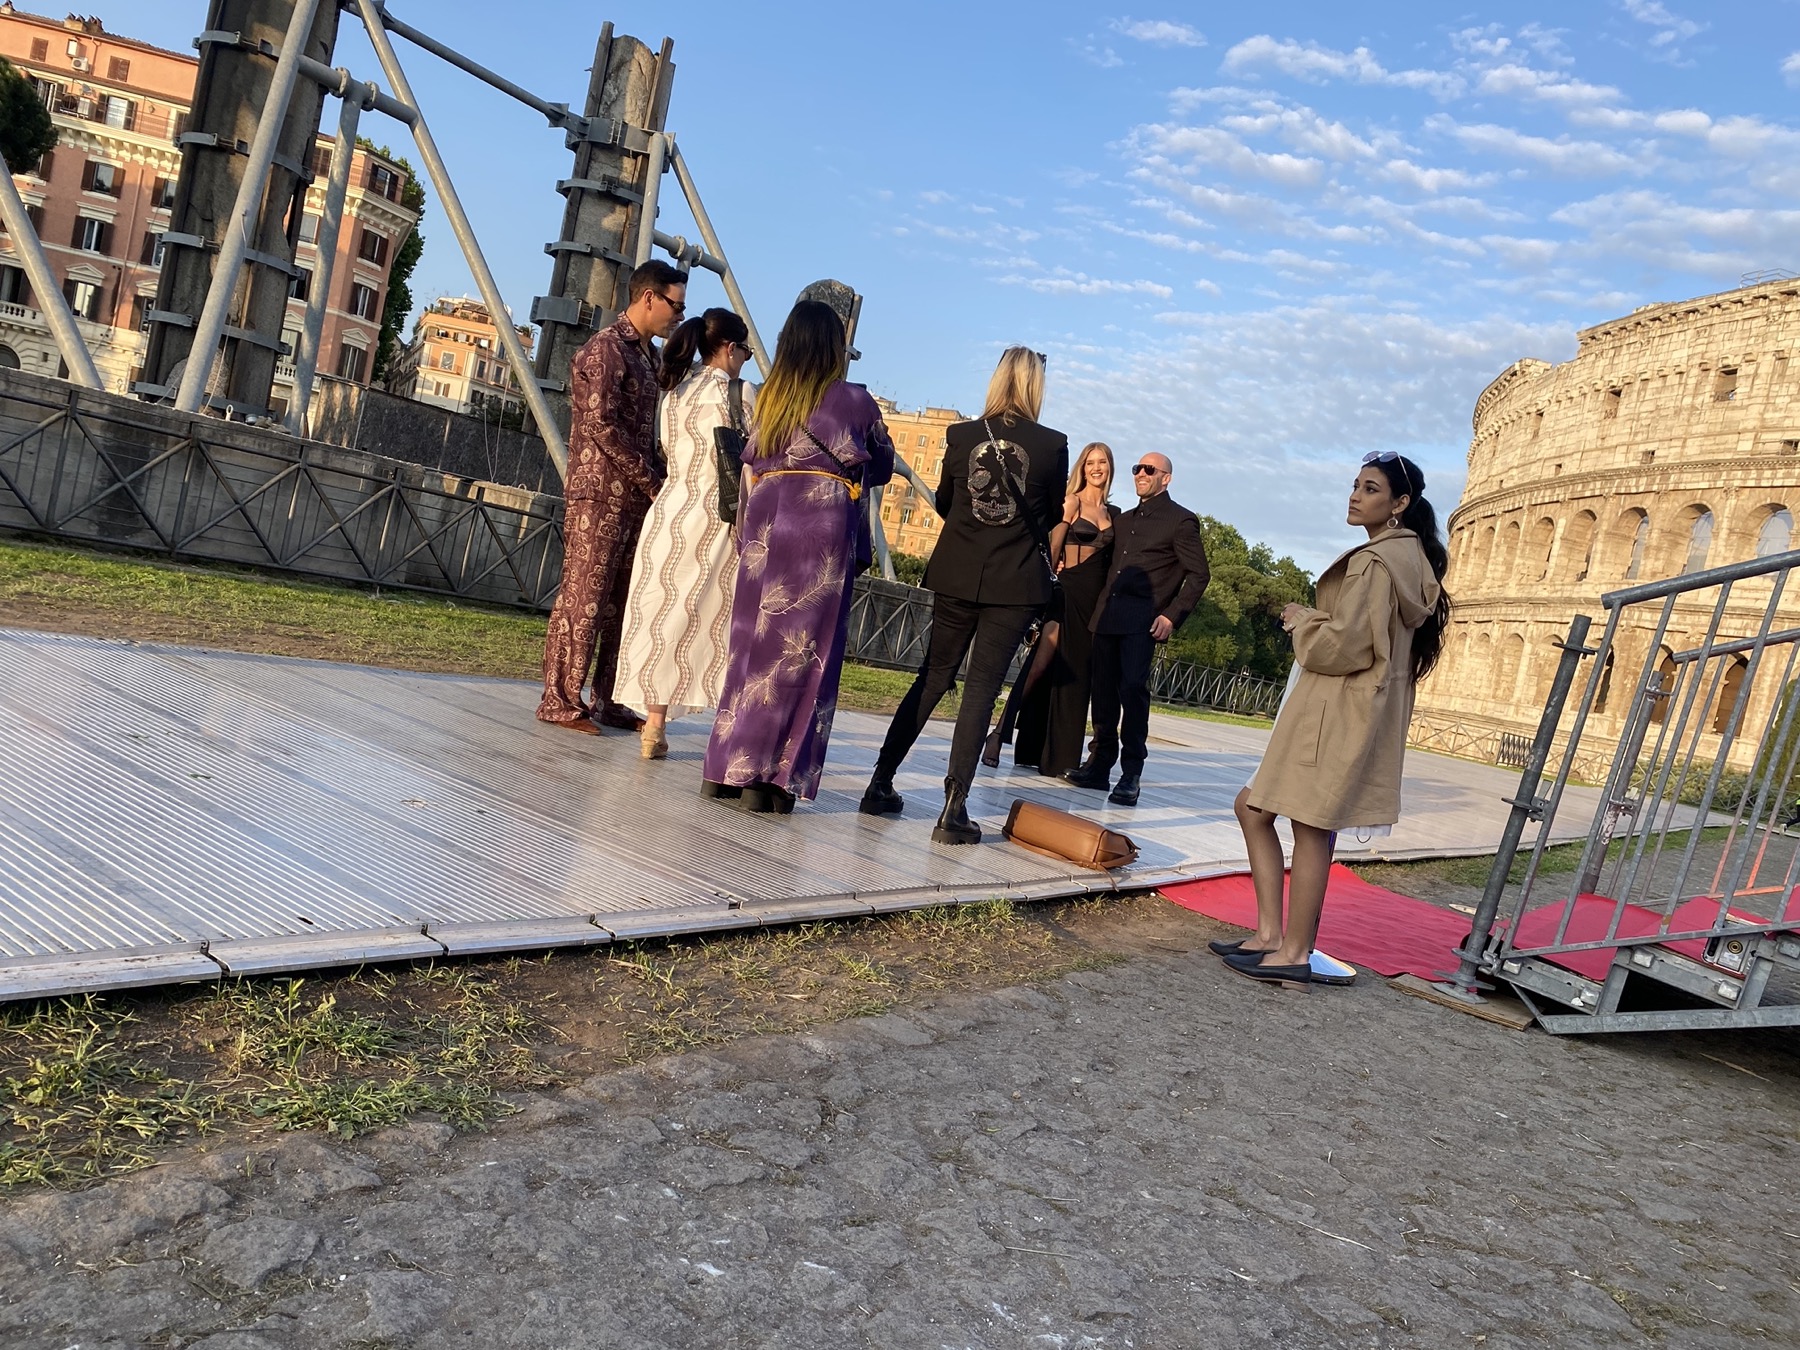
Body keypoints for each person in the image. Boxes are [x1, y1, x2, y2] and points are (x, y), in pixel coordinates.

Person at [1220, 451, 1449, 988]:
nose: (1355, 495)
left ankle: (1293, 948)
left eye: (1370, 488)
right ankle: (1274, 936)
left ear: (1399, 504)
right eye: (1355, 485)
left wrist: (1303, 621)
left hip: (1334, 706)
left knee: (1307, 825)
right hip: (1352, 708)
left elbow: (1345, 646)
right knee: (1263, 810)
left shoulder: (1376, 561)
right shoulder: (1410, 562)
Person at [860, 348, 1068, 844]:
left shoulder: (962, 435)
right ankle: (954, 808)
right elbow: (1050, 515)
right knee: (980, 690)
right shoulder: (1053, 445)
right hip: (1014, 582)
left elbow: (949, 501)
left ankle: (880, 782)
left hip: (957, 573)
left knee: (932, 678)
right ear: (1037, 385)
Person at [700, 300, 895, 813]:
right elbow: (882, 464)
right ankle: (765, 778)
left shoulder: (771, 398)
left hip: (764, 522)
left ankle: (722, 768)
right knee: (800, 653)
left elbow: (750, 464)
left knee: (748, 648)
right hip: (818, 526)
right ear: (835, 349)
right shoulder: (854, 400)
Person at [537, 260, 688, 735]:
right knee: (583, 599)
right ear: (649, 298)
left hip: (637, 499)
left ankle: (609, 698)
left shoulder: (650, 357)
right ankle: (560, 700)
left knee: (623, 602)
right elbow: (602, 425)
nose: (678, 316)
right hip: (599, 496)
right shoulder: (605, 350)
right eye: (675, 306)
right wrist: (652, 478)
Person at [612, 308, 756, 759]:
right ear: (730, 349)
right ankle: (726, 726)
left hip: (671, 509)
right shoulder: (740, 392)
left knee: (662, 616)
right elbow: (752, 460)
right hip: (718, 513)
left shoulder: (674, 391)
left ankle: (653, 726)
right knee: (722, 618)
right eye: (746, 351)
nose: (746, 360)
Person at [1064, 452, 1210, 806]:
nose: (1141, 474)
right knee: (1102, 694)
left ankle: (1131, 774)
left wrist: (1172, 616)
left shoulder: (1181, 521)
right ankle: (1099, 764)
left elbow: (1199, 574)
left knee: (1132, 691)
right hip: (1106, 618)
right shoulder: (1125, 519)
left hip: (1142, 624)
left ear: (1166, 478)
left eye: (1150, 470)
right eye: (1137, 469)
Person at [983, 441, 1120, 778]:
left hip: (1094, 603)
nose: (1096, 468)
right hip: (1066, 592)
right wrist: (1044, 586)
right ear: (1082, 468)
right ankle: (999, 733)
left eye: (1102, 462)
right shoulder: (1071, 502)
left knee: (1077, 676)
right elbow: (1054, 547)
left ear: (1110, 467)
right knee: (1040, 662)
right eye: (1090, 463)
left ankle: (1058, 756)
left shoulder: (1114, 514)